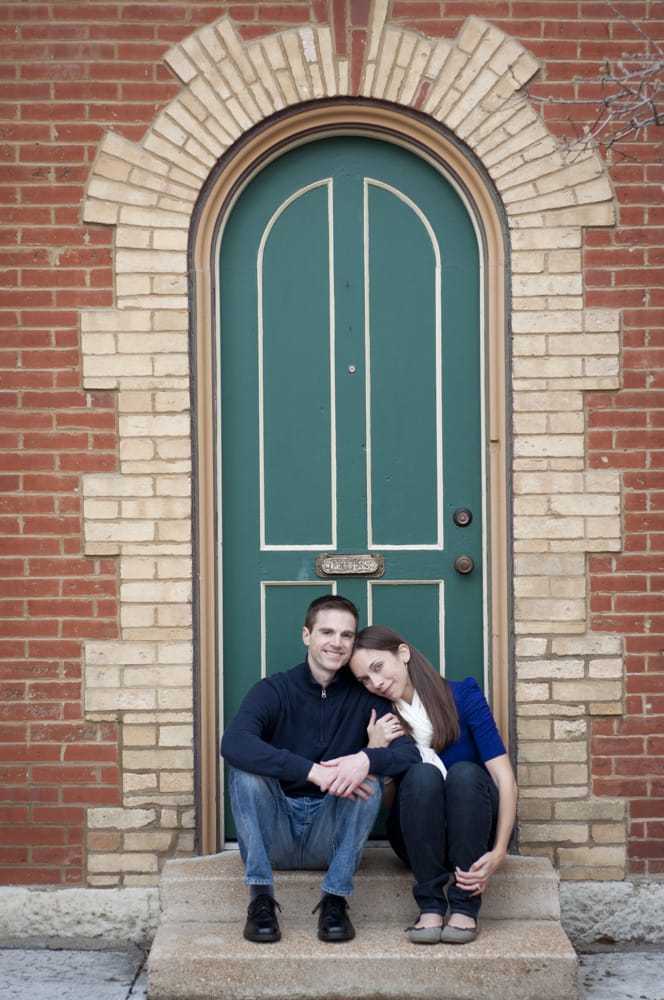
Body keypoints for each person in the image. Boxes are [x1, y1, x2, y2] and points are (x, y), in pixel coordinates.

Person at [220, 596, 419, 944]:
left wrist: (367, 759)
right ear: (306, 635)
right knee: (246, 770)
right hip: (276, 836)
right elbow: (234, 743)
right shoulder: (273, 691)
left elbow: (409, 754)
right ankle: (261, 899)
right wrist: (314, 772)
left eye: (346, 635)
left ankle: (335, 901)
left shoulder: (366, 698)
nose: (337, 643)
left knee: (367, 778)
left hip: (332, 835)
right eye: (327, 632)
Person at [350, 624, 518, 946]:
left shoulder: (462, 696)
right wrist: (375, 752)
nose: (377, 683)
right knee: (422, 774)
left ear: (403, 653)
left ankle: (465, 907)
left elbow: (504, 779)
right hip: (417, 839)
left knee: (466, 773)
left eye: (378, 668)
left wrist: (498, 852)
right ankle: (429, 905)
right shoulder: (381, 719)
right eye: (365, 680)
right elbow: (387, 802)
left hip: (472, 831)